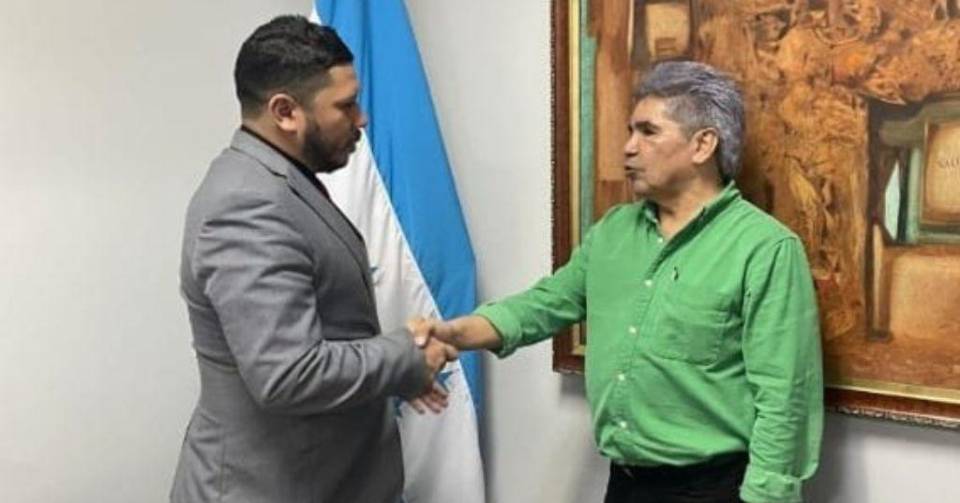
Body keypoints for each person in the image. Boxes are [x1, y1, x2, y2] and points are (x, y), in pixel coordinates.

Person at [415, 61, 823, 503]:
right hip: (625, 484)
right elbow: (543, 305)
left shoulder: (764, 248)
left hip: (714, 489)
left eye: (648, 132)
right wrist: (454, 333)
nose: (628, 148)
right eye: (631, 131)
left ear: (703, 145)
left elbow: (785, 397)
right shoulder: (613, 231)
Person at [170, 15, 457, 503]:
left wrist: (398, 371)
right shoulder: (247, 204)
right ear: (285, 112)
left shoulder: (280, 181)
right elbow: (289, 373)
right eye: (345, 106)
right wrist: (405, 356)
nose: (361, 119)